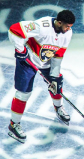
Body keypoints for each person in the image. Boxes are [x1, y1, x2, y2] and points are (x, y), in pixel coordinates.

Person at [8, 10, 75, 143]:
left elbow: (58, 56)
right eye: (67, 26)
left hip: (46, 63)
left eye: (70, 27)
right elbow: (14, 30)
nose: (69, 29)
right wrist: (20, 50)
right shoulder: (41, 26)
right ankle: (13, 125)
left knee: (57, 85)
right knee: (23, 94)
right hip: (28, 61)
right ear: (59, 22)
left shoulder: (67, 34)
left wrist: (54, 77)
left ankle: (58, 107)